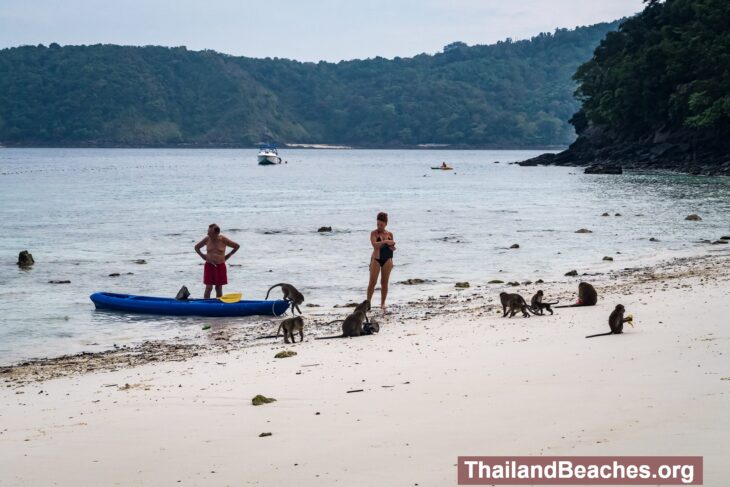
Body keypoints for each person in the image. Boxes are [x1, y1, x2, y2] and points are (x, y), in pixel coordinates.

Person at [194, 223, 240, 299]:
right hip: (209, 265)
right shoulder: (207, 239)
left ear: (216, 233)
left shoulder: (223, 239)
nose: (207, 234)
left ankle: (219, 304)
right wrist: (202, 256)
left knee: (218, 288)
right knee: (209, 287)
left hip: (220, 265)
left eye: (209, 233)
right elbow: (196, 247)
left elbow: (236, 246)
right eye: (208, 232)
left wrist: (228, 256)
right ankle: (206, 305)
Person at [367, 212, 396, 312]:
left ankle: (383, 303)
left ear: (385, 224)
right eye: (378, 224)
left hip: (387, 259)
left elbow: (392, 246)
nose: (379, 226)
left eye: (381, 225)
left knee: (384, 282)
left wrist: (391, 245)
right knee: (372, 282)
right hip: (376, 259)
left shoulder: (390, 234)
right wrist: (385, 242)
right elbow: (375, 245)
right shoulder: (373, 233)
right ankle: (368, 303)